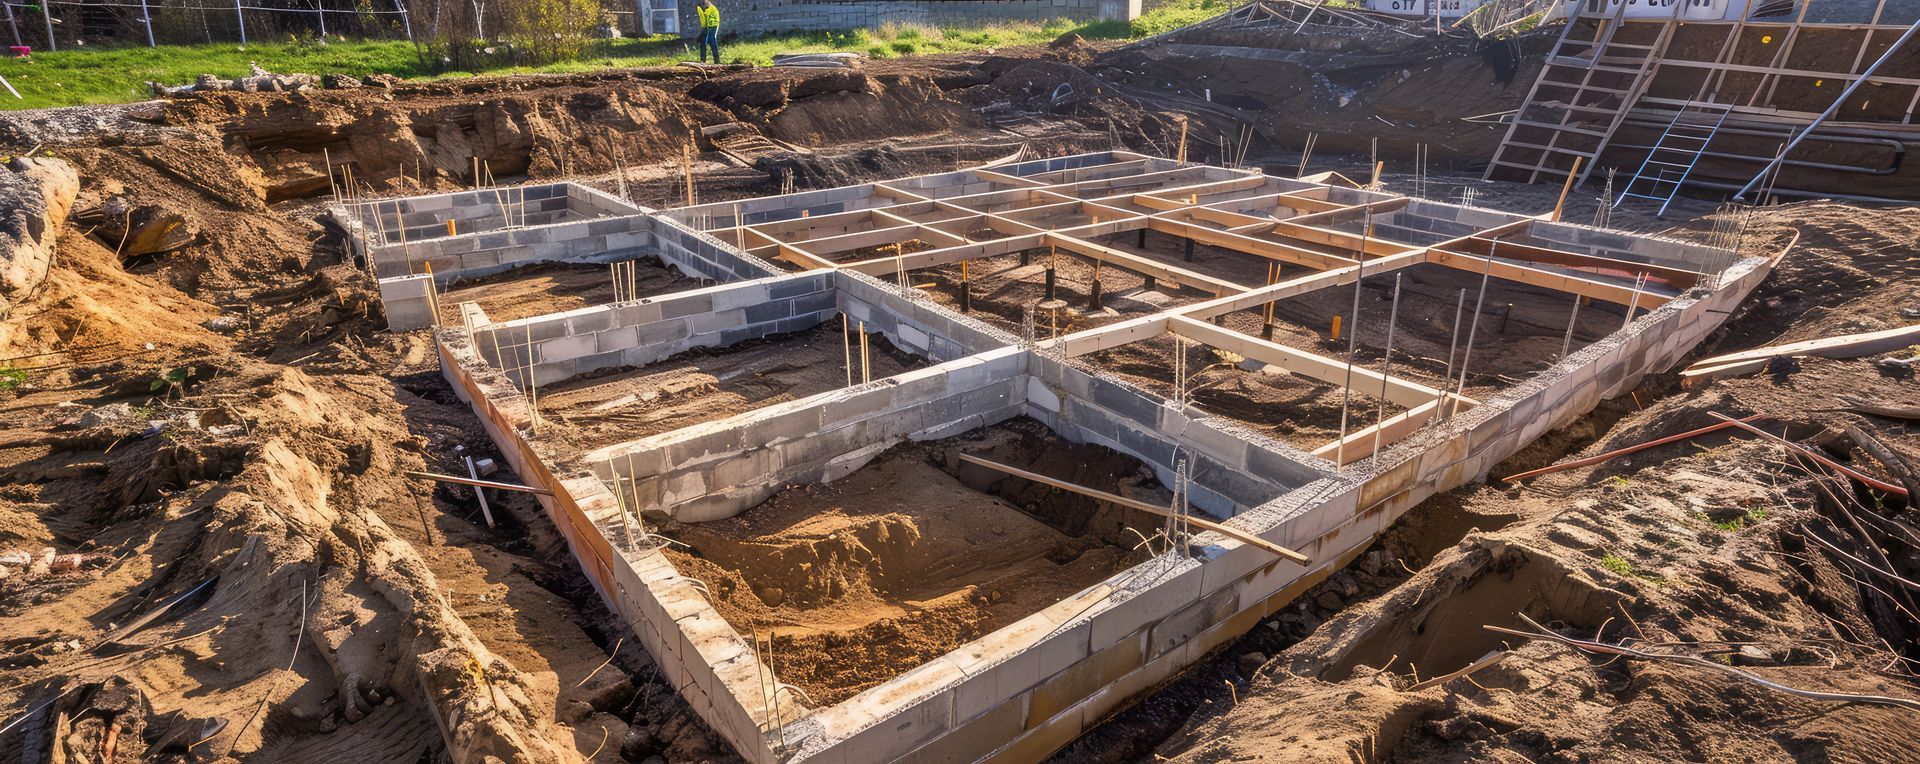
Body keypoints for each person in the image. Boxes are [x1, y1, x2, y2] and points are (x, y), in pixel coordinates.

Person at [697, 0, 721, 64]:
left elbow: (715, 21)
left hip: (713, 26)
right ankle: (703, 61)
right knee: (702, 43)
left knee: (712, 41)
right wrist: (704, 29)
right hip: (705, 26)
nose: (703, 4)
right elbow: (702, 18)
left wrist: (709, 29)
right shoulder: (699, 8)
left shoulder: (713, 10)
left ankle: (717, 62)